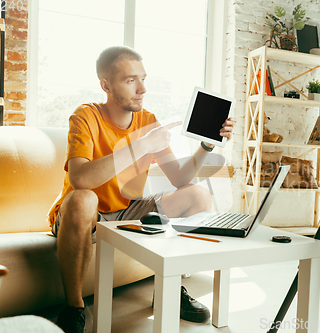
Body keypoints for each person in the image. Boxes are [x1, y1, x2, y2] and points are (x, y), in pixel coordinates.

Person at [47, 46, 236, 333]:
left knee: (198, 193)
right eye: (131, 80)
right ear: (106, 85)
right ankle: (73, 307)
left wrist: (207, 144)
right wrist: (143, 145)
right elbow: (81, 180)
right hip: (85, 214)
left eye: (143, 79)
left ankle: (170, 290)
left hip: (127, 209)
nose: (143, 88)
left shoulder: (148, 121)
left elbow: (180, 179)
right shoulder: (85, 116)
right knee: (84, 198)